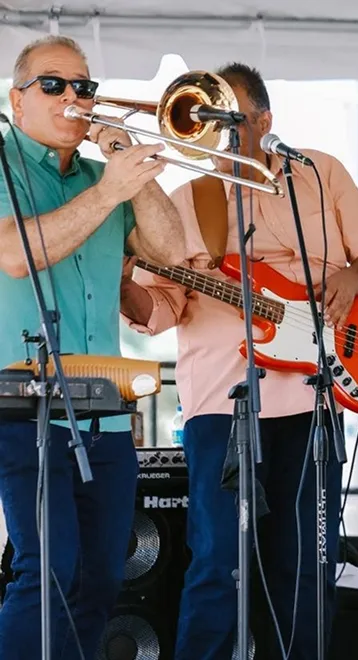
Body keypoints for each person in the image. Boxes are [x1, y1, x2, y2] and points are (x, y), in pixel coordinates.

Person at [119, 62, 358, 660]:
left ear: (266, 120)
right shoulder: (184, 201)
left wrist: (352, 278)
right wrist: (120, 282)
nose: (220, 133)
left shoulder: (319, 173)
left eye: (233, 119)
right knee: (218, 562)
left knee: (305, 565)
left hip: (314, 395)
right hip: (222, 400)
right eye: (207, 120)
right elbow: (160, 309)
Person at [0, 35, 186, 659]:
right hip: (22, 406)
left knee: (104, 578)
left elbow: (170, 250)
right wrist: (109, 192)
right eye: (53, 84)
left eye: (84, 86)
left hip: (104, 411)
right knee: (46, 573)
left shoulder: (101, 175)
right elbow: (14, 253)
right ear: (17, 100)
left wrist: (126, 163)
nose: (73, 96)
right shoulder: (3, 165)